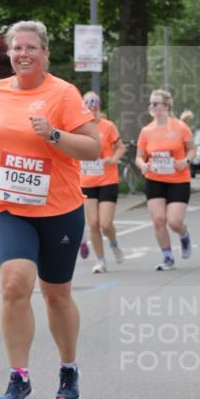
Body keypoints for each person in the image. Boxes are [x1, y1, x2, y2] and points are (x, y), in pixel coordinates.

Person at [0, 20, 99, 399]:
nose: (23, 54)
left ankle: (69, 368)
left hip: (59, 209)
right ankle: (19, 378)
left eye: (31, 48)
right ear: (10, 53)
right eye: (17, 48)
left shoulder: (63, 94)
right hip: (8, 206)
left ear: (45, 53)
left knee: (56, 294)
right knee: (15, 284)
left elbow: (92, 147)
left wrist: (53, 135)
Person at [136, 89, 196, 271]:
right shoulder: (146, 131)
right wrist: (143, 165)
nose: (152, 107)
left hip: (178, 179)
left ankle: (184, 235)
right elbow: (139, 157)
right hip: (154, 179)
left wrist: (185, 161)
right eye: (150, 103)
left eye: (156, 103)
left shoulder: (180, 127)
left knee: (174, 221)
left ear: (167, 106)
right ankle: (167, 256)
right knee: (158, 220)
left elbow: (192, 150)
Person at [80, 92, 125, 273]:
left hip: (107, 179)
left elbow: (120, 147)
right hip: (86, 181)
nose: (92, 108)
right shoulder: (78, 127)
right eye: (88, 105)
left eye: (95, 105)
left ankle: (113, 243)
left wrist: (112, 159)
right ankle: (100, 260)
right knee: (92, 224)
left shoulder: (108, 126)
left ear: (99, 107)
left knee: (105, 224)